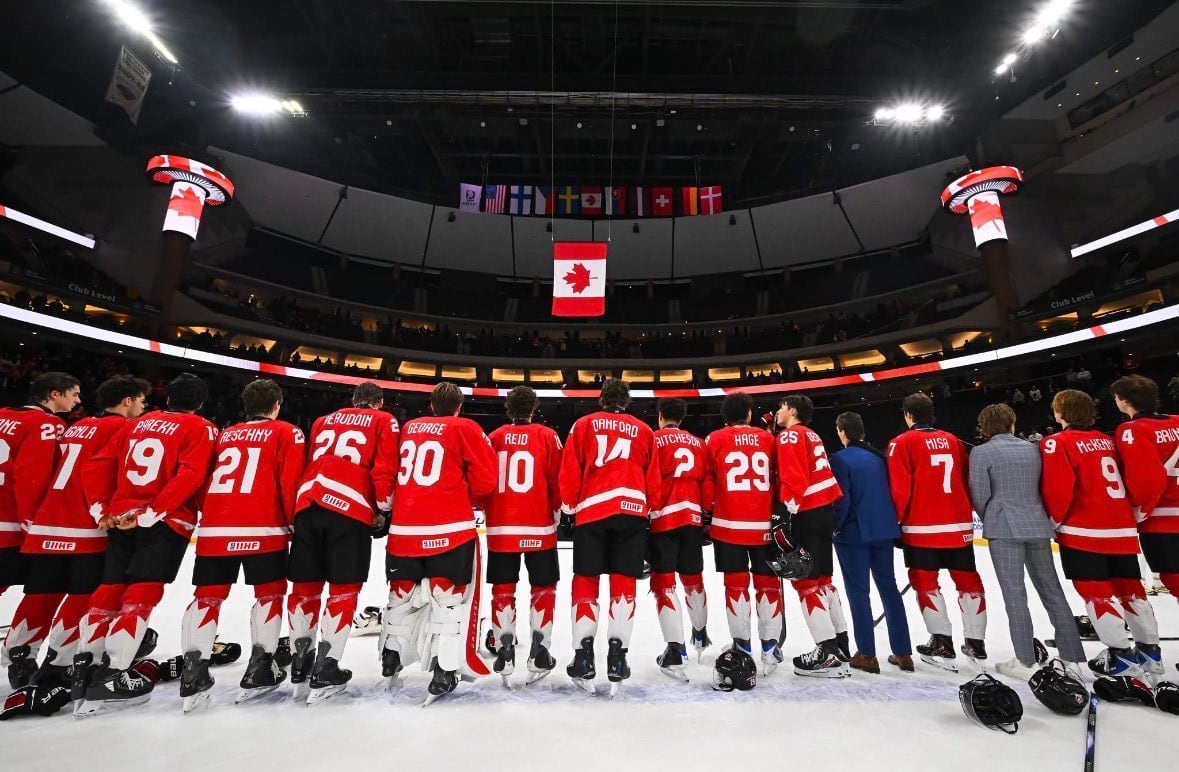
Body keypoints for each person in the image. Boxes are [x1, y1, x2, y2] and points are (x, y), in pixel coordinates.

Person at [74, 373, 217, 715]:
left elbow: (97, 465)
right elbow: (190, 474)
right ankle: (113, 673)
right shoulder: (201, 428)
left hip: (121, 514)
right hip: (163, 519)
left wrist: (100, 508)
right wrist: (155, 510)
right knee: (143, 592)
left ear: (167, 398)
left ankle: (83, 671)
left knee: (110, 588)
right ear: (199, 404)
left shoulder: (136, 423)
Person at [3, 375, 145, 691]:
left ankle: (21, 652)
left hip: (47, 520)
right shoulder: (122, 428)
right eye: (140, 401)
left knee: (42, 591)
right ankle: (60, 662)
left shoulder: (75, 426)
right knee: (82, 593)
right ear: (127, 401)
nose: (141, 407)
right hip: (84, 523)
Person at [178, 379, 307, 710]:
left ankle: (193, 671)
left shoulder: (225, 434)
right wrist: (294, 522)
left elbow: (205, 480)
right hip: (264, 527)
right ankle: (261, 666)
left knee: (206, 597)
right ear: (276, 405)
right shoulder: (287, 432)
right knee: (270, 594)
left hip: (216, 528)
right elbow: (288, 481)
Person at [380, 382, 497, 702]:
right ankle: (444, 670)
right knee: (448, 602)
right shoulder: (466, 427)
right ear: (459, 406)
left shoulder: (410, 427)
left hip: (404, 528)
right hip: (449, 527)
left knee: (400, 598)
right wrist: (461, 492)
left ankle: (391, 659)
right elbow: (487, 480)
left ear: (431, 405)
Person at [288, 381, 399, 702]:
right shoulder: (383, 420)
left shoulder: (323, 420)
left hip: (308, 502)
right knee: (343, 589)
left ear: (353, 400)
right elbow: (384, 466)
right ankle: (326, 665)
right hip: (348, 505)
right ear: (378, 403)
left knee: (305, 587)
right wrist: (382, 507)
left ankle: (300, 663)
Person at [1040, 389, 1161, 679]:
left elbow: (1059, 489)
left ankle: (1121, 657)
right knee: (1132, 591)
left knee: (1097, 595)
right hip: (1120, 528)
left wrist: (1053, 522)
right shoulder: (1109, 441)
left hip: (1084, 530)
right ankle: (1151, 654)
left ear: (1060, 413)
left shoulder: (1056, 442)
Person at [968, 403, 1085, 681]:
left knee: (1015, 596)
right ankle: (1071, 658)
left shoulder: (981, 452)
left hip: (1003, 528)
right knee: (1053, 592)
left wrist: (993, 516)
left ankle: (1024, 659)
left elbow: (979, 494)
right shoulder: (1035, 448)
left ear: (984, 428)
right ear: (1012, 422)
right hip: (1037, 524)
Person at [558, 378, 662, 694]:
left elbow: (570, 468)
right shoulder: (644, 430)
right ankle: (618, 657)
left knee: (586, 581)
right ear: (627, 402)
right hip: (631, 514)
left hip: (592, 511)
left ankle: (584, 656)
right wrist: (652, 508)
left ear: (602, 399)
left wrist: (568, 504)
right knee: (623, 582)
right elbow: (652, 476)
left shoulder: (583, 424)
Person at [887, 392, 986, 671]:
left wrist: (896, 522)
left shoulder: (901, 443)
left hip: (921, 528)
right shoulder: (954, 441)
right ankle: (976, 642)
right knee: (969, 583)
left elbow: (899, 490)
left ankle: (942, 642)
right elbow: (967, 481)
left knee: (925, 584)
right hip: (958, 526)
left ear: (908, 415)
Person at [481, 386, 563, 685]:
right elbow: (557, 480)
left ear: (508, 408)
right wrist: (557, 511)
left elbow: (483, 481)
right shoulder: (547, 436)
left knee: (503, 589)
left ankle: (504, 651)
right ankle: (540, 652)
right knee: (544, 588)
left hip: (502, 526)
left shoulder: (494, 437)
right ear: (534, 408)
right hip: (538, 524)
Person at [829, 411, 912, 674]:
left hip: (854, 534)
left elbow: (843, 500)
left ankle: (866, 653)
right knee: (889, 589)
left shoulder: (840, 459)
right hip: (884, 531)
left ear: (842, 431)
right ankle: (903, 652)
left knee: (858, 593)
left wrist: (835, 528)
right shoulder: (880, 457)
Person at [702, 393, 778, 675]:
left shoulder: (714, 439)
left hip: (728, 524)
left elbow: (708, 482)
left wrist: (707, 515)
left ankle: (742, 645)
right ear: (748, 413)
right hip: (764, 525)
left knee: (735, 587)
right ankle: (770, 648)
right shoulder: (768, 439)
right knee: (767, 586)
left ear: (724, 416)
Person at [774, 394, 849, 677]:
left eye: (782, 407)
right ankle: (841, 645)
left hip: (807, 510)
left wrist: (784, 514)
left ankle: (826, 651)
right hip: (825, 510)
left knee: (805, 583)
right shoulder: (812, 434)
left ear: (792, 410)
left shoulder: (790, 436)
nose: (778, 412)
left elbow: (794, 477)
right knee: (824, 581)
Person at [1110, 375, 1177, 676]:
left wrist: (1139, 513)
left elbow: (1145, 481)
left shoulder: (1131, 430)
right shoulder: (1177, 421)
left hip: (1163, 522)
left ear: (1124, 401)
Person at [0, 372, 78, 610]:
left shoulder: (2, 414)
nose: (78, 400)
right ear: (54, 394)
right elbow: (31, 480)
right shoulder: (47, 424)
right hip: (8, 520)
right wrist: (31, 522)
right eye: (74, 394)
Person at [649, 397, 709, 679]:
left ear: (660, 416)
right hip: (693, 515)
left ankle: (676, 650)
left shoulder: (653, 439)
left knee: (664, 584)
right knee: (693, 579)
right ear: (682, 418)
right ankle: (700, 633)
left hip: (664, 516)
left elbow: (647, 478)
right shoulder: (699, 443)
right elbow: (706, 481)